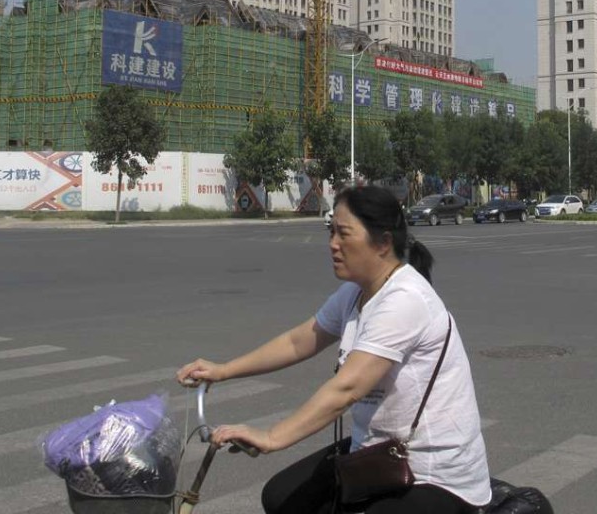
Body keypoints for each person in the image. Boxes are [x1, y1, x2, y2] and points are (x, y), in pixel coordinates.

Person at [177, 185, 491, 514]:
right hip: (377, 453)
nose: (333, 244)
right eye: (331, 231)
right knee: (280, 497)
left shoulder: (405, 299)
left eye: (343, 233)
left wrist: (272, 436)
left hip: (433, 473)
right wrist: (223, 371)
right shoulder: (355, 293)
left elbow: (348, 388)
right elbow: (299, 341)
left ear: (383, 243)